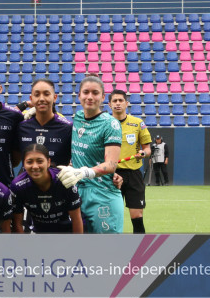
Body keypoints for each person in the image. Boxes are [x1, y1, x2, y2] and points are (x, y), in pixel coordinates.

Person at [57, 75, 123, 234]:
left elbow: (111, 165)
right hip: (76, 193)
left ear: (103, 97)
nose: (90, 97)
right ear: (79, 95)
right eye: (86, 92)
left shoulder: (111, 123)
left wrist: (84, 172)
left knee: (106, 253)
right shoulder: (78, 117)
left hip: (102, 194)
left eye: (95, 93)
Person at [11, 144, 83, 234]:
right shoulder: (17, 186)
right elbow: (17, 224)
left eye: (40, 161)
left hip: (66, 232)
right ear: (24, 164)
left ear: (48, 162)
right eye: (29, 162)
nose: (35, 166)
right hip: (37, 234)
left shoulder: (65, 180)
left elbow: (76, 219)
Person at [109, 89, 152, 234]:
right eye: (114, 101)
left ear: (126, 103)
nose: (118, 103)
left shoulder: (137, 123)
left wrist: (143, 153)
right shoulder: (104, 123)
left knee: (137, 216)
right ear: (109, 104)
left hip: (134, 174)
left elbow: (147, 149)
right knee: (111, 217)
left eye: (121, 100)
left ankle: (139, 253)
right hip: (112, 175)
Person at [17, 78, 72, 166]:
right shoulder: (21, 127)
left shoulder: (68, 128)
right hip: (28, 179)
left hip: (57, 179)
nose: (41, 98)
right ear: (31, 98)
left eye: (46, 94)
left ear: (55, 97)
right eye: (37, 94)